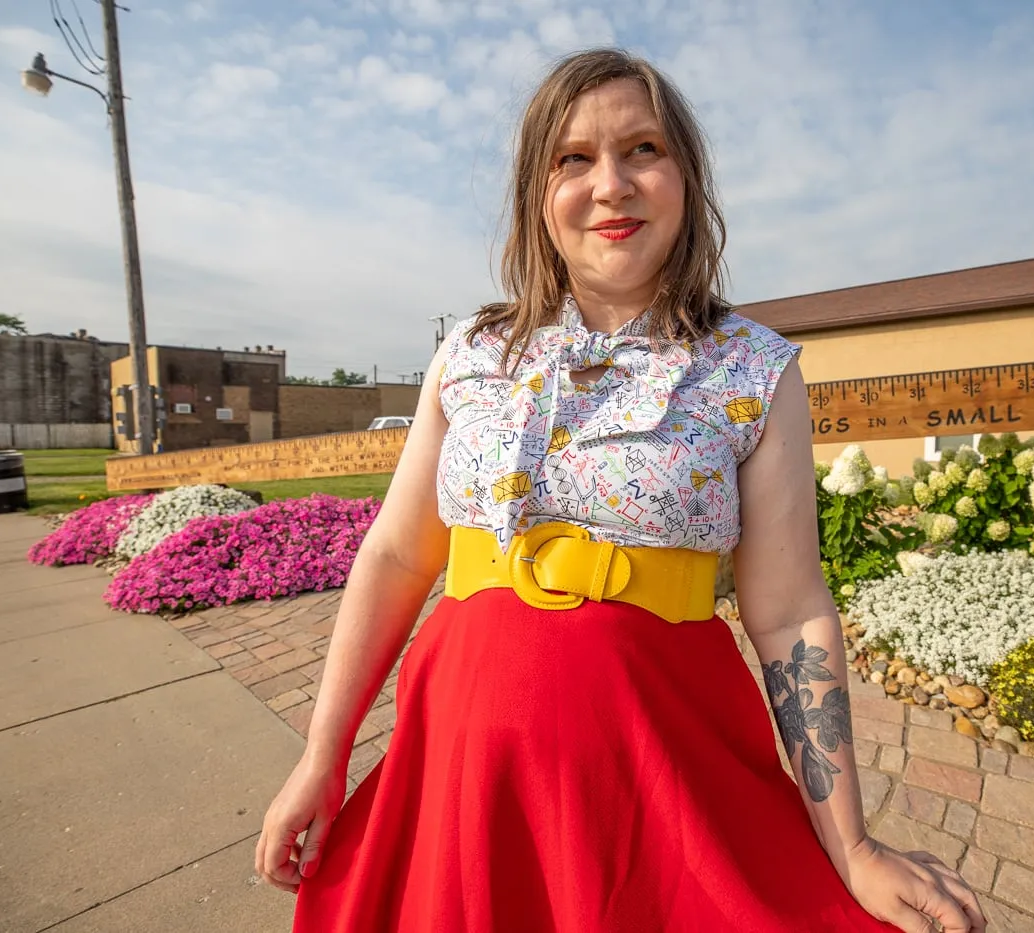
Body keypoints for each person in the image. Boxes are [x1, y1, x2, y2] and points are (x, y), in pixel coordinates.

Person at [257, 48, 986, 933]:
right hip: (460, 791)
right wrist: (322, 755)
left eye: (642, 149)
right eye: (574, 158)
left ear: (686, 176)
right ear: (539, 192)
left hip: (660, 795)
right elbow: (400, 553)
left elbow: (791, 612)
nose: (612, 184)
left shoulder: (752, 368)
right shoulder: (469, 356)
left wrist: (854, 845)